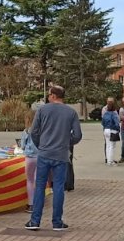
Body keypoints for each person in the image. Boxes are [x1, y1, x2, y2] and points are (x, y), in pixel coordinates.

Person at [25, 86, 82, 232]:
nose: (48, 97)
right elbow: (77, 135)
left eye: (49, 94)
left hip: (44, 154)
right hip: (61, 155)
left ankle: (35, 220)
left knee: (40, 186)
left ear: (54, 96)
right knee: (58, 188)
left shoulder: (42, 110)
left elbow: (34, 132)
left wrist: (41, 145)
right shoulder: (71, 112)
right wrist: (65, 142)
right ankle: (57, 222)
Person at [19, 110, 38, 213]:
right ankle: (39, 202)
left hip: (30, 157)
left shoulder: (26, 131)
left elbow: (22, 146)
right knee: (38, 180)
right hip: (40, 157)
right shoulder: (41, 130)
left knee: (30, 180)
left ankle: (31, 204)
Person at [101, 99, 120, 166]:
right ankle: (111, 161)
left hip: (106, 129)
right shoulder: (114, 114)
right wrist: (118, 129)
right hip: (112, 130)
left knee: (108, 145)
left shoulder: (105, 114)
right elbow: (117, 123)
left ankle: (108, 160)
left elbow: (102, 122)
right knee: (112, 146)